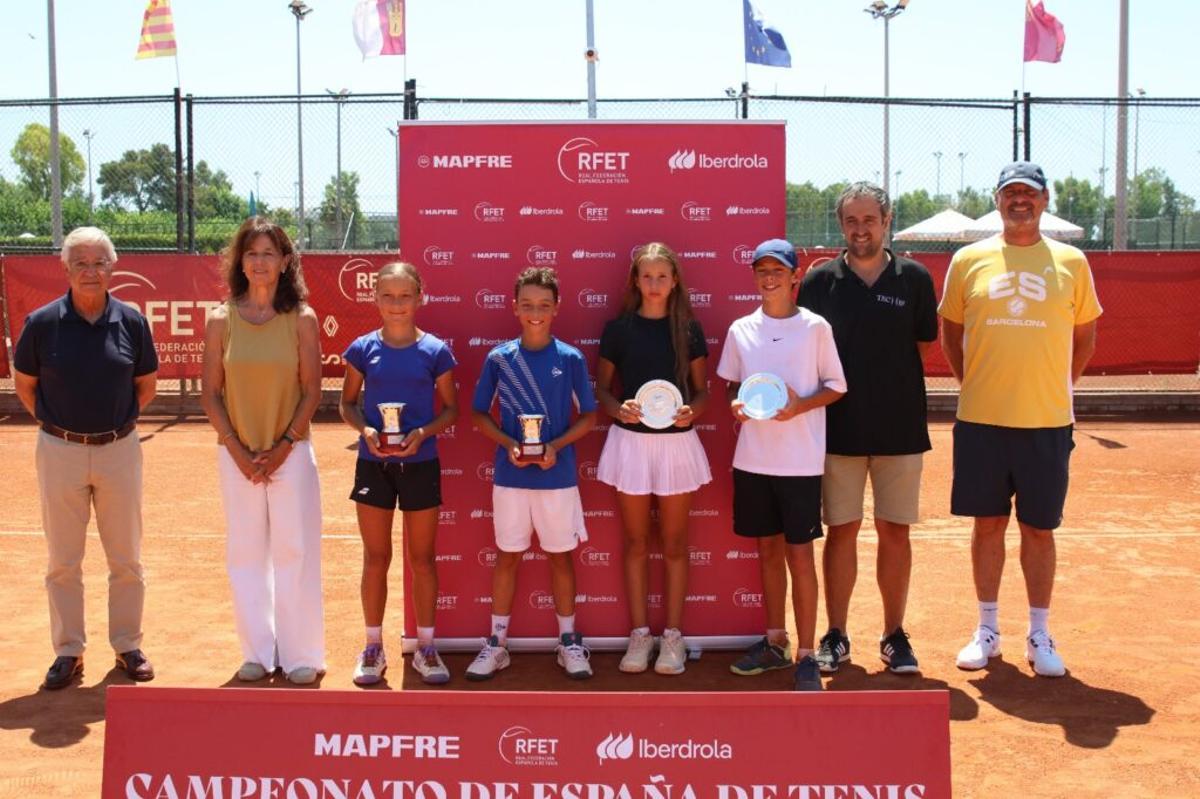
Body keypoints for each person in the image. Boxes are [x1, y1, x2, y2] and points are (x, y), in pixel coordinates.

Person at [939, 162, 1102, 678]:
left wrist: (1058, 385)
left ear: (1045, 200)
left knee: (1038, 529)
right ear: (997, 200)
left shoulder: (1072, 262)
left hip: (1046, 422)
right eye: (1010, 193)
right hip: (981, 421)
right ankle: (987, 630)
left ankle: (1039, 633)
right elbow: (951, 331)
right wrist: (972, 382)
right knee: (987, 525)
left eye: (1028, 194)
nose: (1019, 201)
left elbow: (1084, 335)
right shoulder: (968, 260)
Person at [799, 182, 938, 675]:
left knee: (894, 531)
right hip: (837, 429)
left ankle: (894, 634)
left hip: (900, 429)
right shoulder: (818, 282)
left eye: (870, 220)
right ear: (842, 225)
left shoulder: (915, 278)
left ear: (887, 221)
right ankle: (835, 634)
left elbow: (921, 346)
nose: (861, 230)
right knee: (842, 530)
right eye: (851, 221)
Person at [13, 227, 158, 690]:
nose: (90, 272)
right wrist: (60, 428)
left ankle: (127, 644)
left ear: (113, 267)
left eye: (99, 263)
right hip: (60, 452)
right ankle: (68, 650)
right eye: (80, 263)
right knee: (63, 560)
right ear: (66, 269)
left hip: (119, 450)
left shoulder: (132, 321)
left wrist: (114, 426)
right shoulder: (41, 323)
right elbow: (25, 385)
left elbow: (146, 385)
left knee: (126, 558)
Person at [199, 216, 325, 686]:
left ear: (285, 261)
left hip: (290, 455)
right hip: (237, 457)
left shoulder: (303, 319)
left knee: (295, 552)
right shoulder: (220, 319)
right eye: (251, 253)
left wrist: (284, 446)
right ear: (239, 261)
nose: (259, 262)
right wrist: (236, 448)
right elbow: (210, 393)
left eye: (268, 253)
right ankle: (256, 652)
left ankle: (300, 655)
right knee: (246, 555)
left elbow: (312, 391)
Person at [718, 238, 847, 691]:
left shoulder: (815, 328)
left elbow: (836, 387)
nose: (769, 278)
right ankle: (776, 643)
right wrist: (735, 405)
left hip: (800, 464)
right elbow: (731, 386)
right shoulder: (741, 329)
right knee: (768, 552)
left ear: (795, 276)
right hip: (754, 461)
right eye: (762, 271)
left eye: (778, 271)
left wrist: (800, 406)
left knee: (800, 556)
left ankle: (807, 654)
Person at [465, 267, 598, 681]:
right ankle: (497, 644)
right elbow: (478, 413)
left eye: (543, 305)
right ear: (514, 308)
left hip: (557, 478)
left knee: (560, 557)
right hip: (511, 477)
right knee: (507, 557)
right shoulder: (499, 359)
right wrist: (509, 444)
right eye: (527, 305)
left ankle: (569, 642)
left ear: (557, 308)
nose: (535, 313)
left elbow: (589, 416)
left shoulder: (570, 358)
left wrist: (555, 446)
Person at [339, 262, 459, 686]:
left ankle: (426, 647)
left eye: (404, 295)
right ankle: (373, 646)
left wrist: (422, 433)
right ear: (375, 299)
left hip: (421, 463)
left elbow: (451, 410)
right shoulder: (361, 349)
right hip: (374, 464)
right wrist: (366, 431)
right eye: (387, 296)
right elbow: (347, 404)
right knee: (376, 558)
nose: (396, 304)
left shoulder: (436, 352)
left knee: (422, 559)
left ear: (419, 297)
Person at [595, 243, 712, 675]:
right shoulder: (618, 330)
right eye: (647, 276)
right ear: (636, 281)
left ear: (675, 281)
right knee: (636, 544)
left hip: (677, 446)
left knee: (676, 544)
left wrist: (692, 412)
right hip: (631, 444)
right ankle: (640, 635)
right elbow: (602, 390)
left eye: (663, 276)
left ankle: (673, 638)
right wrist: (617, 409)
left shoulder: (689, 330)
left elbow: (702, 393)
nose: (655, 284)